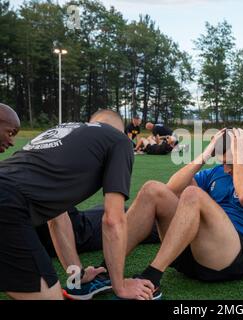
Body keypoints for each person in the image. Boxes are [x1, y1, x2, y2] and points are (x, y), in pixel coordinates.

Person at [73, 128, 243, 300]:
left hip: (232, 259)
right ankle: (106, 269)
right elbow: (172, 189)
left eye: (227, 162)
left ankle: (152, 277)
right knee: (152, 189)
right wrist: (206, 153)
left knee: (194, 194)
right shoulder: (216, 172)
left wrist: (238, 155)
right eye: (221, 161)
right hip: (192, 253)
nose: (224, 169)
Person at [0, 110, 154, 300]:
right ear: (120, 131)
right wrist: (120, 285)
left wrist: (77, 275)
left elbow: (57, 218)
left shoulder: (61, 132)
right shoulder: (118, 140)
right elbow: (113, 220)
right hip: (8, 204)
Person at [36, 205, 160, 258]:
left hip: (62, 226)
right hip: (74, 230)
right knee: (130, 218)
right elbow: (57, 219)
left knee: (105, 210)